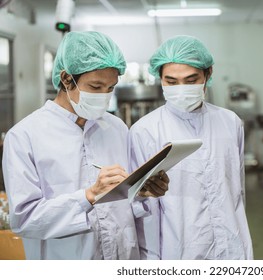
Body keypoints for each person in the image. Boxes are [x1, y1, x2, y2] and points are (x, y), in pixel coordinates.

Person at [2, 31, 169, 260]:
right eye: (96, 86)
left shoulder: (117, 128)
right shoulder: (25, 136)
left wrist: (141, 191)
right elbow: (25, 219)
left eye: (110, 88)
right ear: (66, 78)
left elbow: (124, 202)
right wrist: (88, 196)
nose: (104, 96)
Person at [128, 35, 253, 259]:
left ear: (208, 75)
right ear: (160, 79)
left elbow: (237, 189)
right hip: (178, 251)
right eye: (171, 82)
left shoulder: (230, 122)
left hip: (232, 247)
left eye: (191, 79)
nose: (181, 88)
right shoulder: (144, 131)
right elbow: (141, 206)